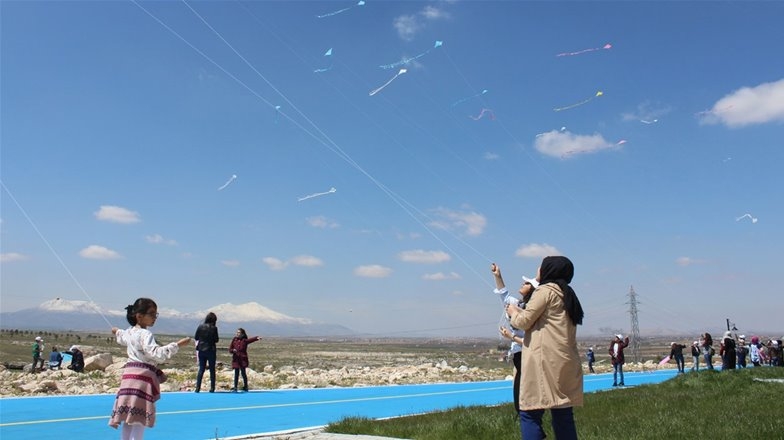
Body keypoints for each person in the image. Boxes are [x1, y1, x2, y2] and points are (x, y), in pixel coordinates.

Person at [506, 256, 584, 440]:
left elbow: (524, 322)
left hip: (544, 361)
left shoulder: (544, 291)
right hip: (565, 360)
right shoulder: (567, 294)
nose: (538, 270)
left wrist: (513, 312)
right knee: (563, 413)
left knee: (530, 411)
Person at [109, 297, 191, 440]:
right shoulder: (145, 334)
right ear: (139, 316)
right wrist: (177, 345)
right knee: (139, 417)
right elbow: (156, 354)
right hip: (141, 379)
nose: (154, 318)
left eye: (155, 314)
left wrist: (116, 331)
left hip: (128, 378)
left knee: (128, 416)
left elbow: (121, 336)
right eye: (151, 314)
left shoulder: (129, 332)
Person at [491, 263, 533, 413]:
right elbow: (504, 294)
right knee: (518, 387)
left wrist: (511, 336)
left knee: (524, 389)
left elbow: (530, 342)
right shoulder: (517, 303)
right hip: (517, 353)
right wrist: (498, 276)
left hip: (526, 353)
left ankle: (525, 416)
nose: (523, 283)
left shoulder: (533, 310)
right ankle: (522, 415)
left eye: (527, 283)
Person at [194, 312, 219, 393]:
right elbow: (216, 339)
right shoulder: (214, 328)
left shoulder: (200, 326)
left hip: (201, 349)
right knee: (212, 369)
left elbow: (196, 337)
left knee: (201, 369)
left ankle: (197, 388)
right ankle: (212, 388)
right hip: (211, 350)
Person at [229, 328, 260, 392]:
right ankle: (235, 387)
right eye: (237, 332)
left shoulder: (244, 340)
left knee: (243, 373)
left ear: (242, 334)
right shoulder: (234, 340)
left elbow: (250, 340)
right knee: (236, 373)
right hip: (236, 359)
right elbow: (230, 349)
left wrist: (256, 338)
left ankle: (245, 386)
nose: (237, 333)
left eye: (239, 332)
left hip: (242, 359)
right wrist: (233, 350)